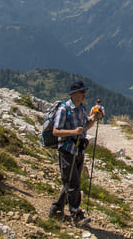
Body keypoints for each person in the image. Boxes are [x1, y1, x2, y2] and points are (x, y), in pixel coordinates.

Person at [49, 79, 92, 224]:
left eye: (84, 92)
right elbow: (56, 131)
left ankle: (56, 209)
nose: (84, 95)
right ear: (74, 94)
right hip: (67, 150)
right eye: (81, 92)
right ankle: (76, 214)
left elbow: (85, 126)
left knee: (71, 182)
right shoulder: (64, 110)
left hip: (78, 150)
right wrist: (73, 132)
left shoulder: (81, 109)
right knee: (73, 183)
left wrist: (95, 118)